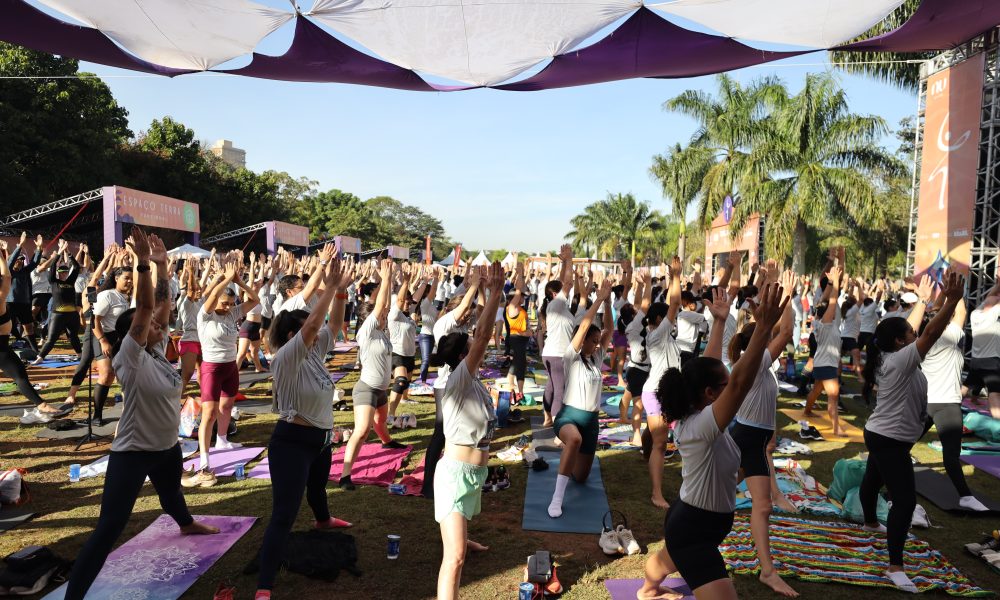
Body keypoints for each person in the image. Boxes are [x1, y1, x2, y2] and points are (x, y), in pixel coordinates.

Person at [62, 228, 218, 600]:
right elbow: (148, 309)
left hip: (167, 446)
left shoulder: (156, 348)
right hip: (131, 453)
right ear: (134, 331)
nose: (161, 327)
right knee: (109, 527)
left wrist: (164, 266)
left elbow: (159, 308)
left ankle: (186, 523)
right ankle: (73, 596)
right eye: (151, 326)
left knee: (172, 495)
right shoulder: (128, 356)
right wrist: (144, 265)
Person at [639, 282, 787, 600]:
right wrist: (761, 329)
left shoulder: (694, 407)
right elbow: (739, 384)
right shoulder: (702, 426)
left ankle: (647, 590)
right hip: (695, 529)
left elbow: (701, 370)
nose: (729, 383)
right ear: (710, 394)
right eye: (724, 383)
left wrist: (719, 322)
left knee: (667, 560)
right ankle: (649, 589)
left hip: (691, 519)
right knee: (679, 559)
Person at [255, 257, 355, 600]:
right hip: (292, 444)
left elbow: (333, 323)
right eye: (305, 327)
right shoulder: (286, 357)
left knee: (318, 492)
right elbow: (314, 326)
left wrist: (339, 292)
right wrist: (327, 287)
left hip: (320, 441)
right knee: (284, 514)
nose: (313, 330)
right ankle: (264, 585)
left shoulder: (313, 353)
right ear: (289, 335)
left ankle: (323, 520)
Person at [859, 272, 965, 593]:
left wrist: (922, 302)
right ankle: (895, 567)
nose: (914, 332)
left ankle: (869, 523)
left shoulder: (893, 355)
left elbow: (916, 328)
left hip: (883, 435)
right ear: (900, 341)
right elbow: (930, 332)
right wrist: (951, 301)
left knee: (872, 481)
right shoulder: (901, 360)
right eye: (910, 332)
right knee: (904, 502)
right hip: (888, 440)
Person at [432, 262, 505, 600]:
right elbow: (484, 335)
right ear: (463, 356)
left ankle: (459, 534)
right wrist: (493, 293)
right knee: (455, 558)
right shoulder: (459, 379)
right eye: (473, 347)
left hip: (471, 473)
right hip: (455, 474)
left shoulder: (470, 381)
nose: (480, 347)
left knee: (459, 544)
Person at [728, 269, 799, 597]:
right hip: (744, 440)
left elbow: (783, 331)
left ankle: (767, 571)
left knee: (762, 505)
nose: (772, 342)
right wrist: (783, 296)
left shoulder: (758, 363)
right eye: (764, 337)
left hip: (753, 441)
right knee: (719, 496)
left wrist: (782, 296)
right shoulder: (754, 362)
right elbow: (785, 332)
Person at [183, 257, 260, 488]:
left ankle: (222, 440)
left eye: (231, 303)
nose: (228, 307)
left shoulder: (232, 313)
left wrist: (239, 282)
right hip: (211, 368)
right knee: (209, 413)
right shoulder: (205, 314)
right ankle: (205, 457)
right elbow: (213, 296)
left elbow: (254, 300)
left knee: (227, 406)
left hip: (229, 367)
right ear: (216, 300)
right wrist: (225, 278)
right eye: (224, 303)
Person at [548, 278, 613, 518]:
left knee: (582, 476)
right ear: (582, 340)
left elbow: (610, 330)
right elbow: (585, 325)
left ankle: (568, 460)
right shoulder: (571, 357)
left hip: (591, 422)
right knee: (573, 440)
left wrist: (608, 302)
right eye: (593, 342)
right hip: (570, 416)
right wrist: (596, 300)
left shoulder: (596, 359)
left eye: (598, 342)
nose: (597, 346)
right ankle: (556, 499)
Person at [340, 258, 407, 490]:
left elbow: (384, 305)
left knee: (380, 422)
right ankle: (345, 475)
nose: (385, 315)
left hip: (380, 389)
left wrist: (388, 285)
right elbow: (379, 306)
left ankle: (387, 442)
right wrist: (386, 278)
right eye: (381, 314)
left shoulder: (382, 330)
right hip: (366, 388)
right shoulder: (367, 331)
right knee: (362, 430)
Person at [921, 289, 989, 512]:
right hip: (946, 404)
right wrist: (956, 290)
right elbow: (960, 311)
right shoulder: (948, 335)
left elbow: (943, 312)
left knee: (900, 447)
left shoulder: (923, 340)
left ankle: (883, 487)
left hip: (929, 403)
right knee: (951, 456)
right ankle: (965, 497)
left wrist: (941, 296)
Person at [422, 268, 483, 499]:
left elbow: (482, 312)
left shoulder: (463, 327)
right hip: (446, 386)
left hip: (464, 384)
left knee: (459, 433)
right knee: (441, 433)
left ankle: (455, 478)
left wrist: (483, 290)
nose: (468, 316)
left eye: (470, 314)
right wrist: (474, 286)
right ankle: (428, 484)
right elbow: (462, 310)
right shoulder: (445, 323)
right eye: (466, 312)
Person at [0, 242, 65, 421]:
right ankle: (42, 405)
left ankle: (42, 405)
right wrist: (3, 253)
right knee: (19, 373)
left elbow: (8, 275)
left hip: (3, 347)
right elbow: (6, 277)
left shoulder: (14, 282)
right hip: (2, 348)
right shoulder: (1, 298)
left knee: (19, 372)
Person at [640, 257, 682, 510]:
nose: (673, 319)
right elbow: (675, 302)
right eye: (668, 317)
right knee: (660, 442)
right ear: (659, 320)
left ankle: (647, 456)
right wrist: (676, 275)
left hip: (665, 391)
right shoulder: (657, 335)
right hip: (656, 393)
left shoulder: (662, 334)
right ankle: (656, 493)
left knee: (655, 435)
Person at [803, 265, 846, 437]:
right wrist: (835, 282)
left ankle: (807, 411)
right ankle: (836, 427)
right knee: (833, 395)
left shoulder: (824, 323)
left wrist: (830, 282)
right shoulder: (826, 323)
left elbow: (828, 300)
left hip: (825, 363)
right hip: (825, 364)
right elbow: (833, 301)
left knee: (816, 391)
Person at [539, 245, 575, 428]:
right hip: (557, 354)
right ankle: (557, 424)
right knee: (560, 390)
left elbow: (562, 282)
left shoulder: (557, 306)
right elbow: (566, 284)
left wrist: (563, 264)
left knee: (552, 387)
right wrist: (569, 260)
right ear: (555, 294)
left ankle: (547, 417)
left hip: (553, 352)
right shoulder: (556, 305)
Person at [387, 265, 429, 422]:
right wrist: (406, 282)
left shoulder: (408, 315)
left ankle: (404, 398)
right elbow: (399, 299)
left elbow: (415, 301)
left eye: (409, 301)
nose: (408, 303)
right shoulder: (395, 315)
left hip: (410, 355)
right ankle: (390, 414)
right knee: (400, 381)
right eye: (406, 301)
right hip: (397, 354)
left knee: (406, 384)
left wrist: (425, 282)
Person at [32, 240, 83, 363]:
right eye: (61, 272)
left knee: (74, 337)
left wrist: (68, 252)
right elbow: (53, 265)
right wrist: (59, 252)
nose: (64, 274)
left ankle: (80, 355)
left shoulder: (70, 281)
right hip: (58, 314)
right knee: (51, 338)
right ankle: (40, 357)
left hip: (72, 315)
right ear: (58, 274)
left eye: (65, 272)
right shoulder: (54, 282)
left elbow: (76, 267)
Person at [968, 270, 1000, 419]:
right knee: (995, 394)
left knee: (967, 385)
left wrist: (998, 284)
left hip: (976, 360)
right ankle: (998, 423)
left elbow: (989, 298)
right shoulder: (994, 314)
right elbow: (992, 299)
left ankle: (951, 404)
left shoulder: (975, 314)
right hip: (991, 361)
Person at [6, 232, 42, 351]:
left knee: (29, 327)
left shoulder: (25, 271)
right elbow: (10, 261)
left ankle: (35, 351)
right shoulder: (9, 271)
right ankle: (16, 341)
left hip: (24, 303)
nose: (20, 261)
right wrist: (20, 245)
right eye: (18, 259)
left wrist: (39, 248)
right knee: (7, 326)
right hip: (10, 303)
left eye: (22, 259)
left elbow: (35, 263)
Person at [504, 260, 532, 402]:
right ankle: (516, 391)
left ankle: (515, 389)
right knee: (519, 365)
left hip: (520, 340)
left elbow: (526, 327)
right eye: (521, 296)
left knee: (518, 365)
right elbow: (519, 289)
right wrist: (521, 274)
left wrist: (528, 332)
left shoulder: (521, 309)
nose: (523, 298)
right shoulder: (512, 307)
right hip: (515, 340)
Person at [417, 269, 441, 383]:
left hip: (434, 336)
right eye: (430, 291)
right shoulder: (424, 303)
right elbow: (434, 289)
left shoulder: (431, 305)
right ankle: (422, 382)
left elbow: (435, 320)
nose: (434, 293)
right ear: (427, 293)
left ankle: (424, 380)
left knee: (432, 359)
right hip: (426, 336)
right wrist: (436, 278)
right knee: (426, 360)